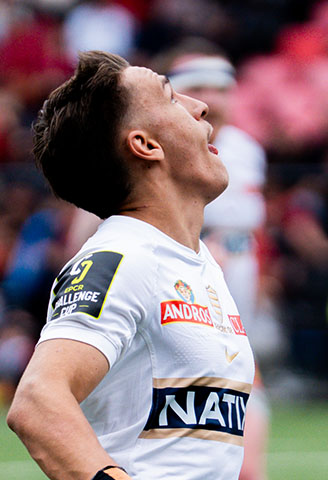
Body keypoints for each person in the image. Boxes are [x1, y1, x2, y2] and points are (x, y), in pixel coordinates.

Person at [6, 51, 255, 480]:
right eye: (171, 97)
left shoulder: (197, 261)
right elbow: (37, 401)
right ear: (145, 145)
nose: (201, 106)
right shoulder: (120, 258)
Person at [167, 52, 269, 480]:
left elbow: (254, 227)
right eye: (199, 88)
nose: (213, 99)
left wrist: (262, 278)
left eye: (222, 89)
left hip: (237, 275)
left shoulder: (246, 149)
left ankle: (247, 466)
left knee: (240, 368)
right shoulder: (163, 147)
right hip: (184, 277)